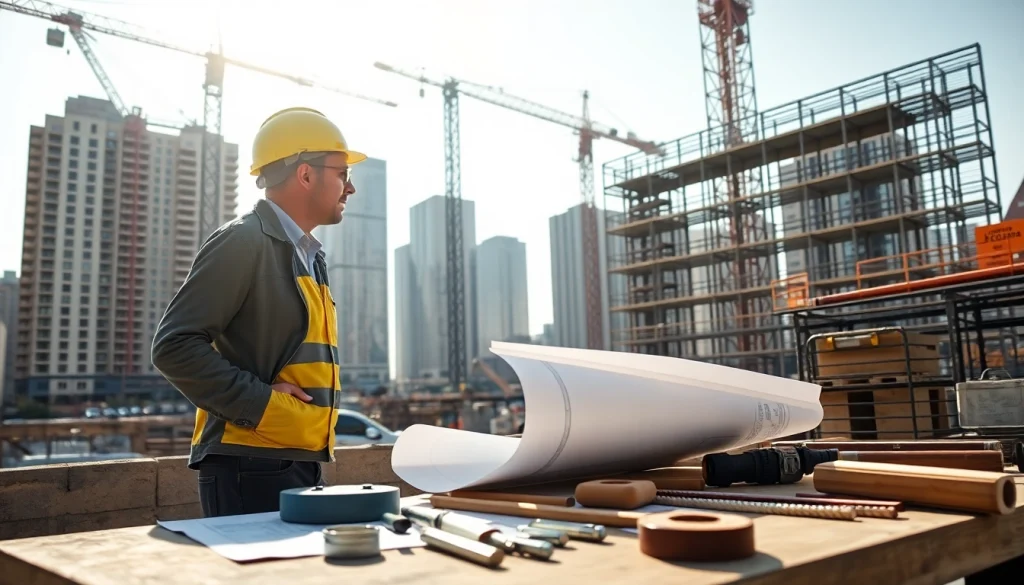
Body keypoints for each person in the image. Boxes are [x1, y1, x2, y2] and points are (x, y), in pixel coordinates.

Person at [151, 107, 364, 517]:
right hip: (248, 463)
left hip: (295, 458)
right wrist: (263, 405)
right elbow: (173, 348)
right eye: (342, 173)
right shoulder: (243, 241)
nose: (350, 188)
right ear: (306, 175)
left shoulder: (310, 258)